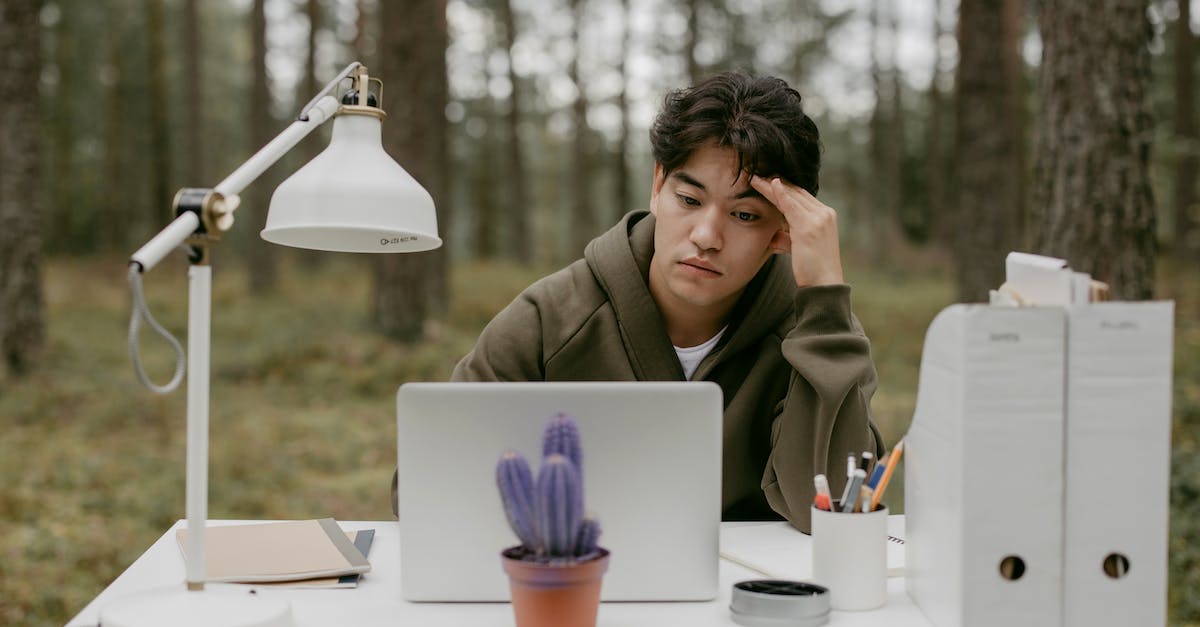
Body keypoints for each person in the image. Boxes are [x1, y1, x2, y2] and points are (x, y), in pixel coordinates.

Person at [392, 72, 883, 533]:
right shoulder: (550, 319)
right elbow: (423, 489)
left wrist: (823, 299)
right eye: (689, 201)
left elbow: (835, 511)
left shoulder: (812, 333)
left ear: (783, 229)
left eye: (744, 215)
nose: (707, 236)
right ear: (657, 185)